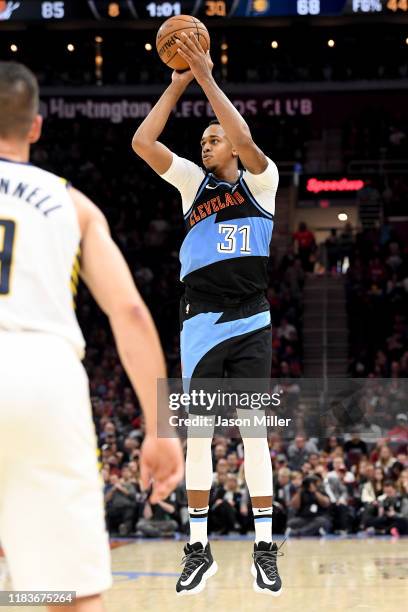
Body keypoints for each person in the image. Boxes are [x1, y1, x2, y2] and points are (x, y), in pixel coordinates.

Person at [0, 62, 184, 612]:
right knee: (69, 594)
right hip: (42, 373)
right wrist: (160, 427)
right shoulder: (73, 205)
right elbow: (128, 310)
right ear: (35, 126)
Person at [132, 33, 282, 596]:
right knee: (198, 437)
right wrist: (177, 85)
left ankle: (265, 547)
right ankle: (199, 549)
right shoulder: (191, 186)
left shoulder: (261, 183)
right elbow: (143, 141)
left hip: (251, 318)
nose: (206, 144)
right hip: (199, 320)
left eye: (212, 138)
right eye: (202, 139)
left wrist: (207, 75)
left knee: (254, 435)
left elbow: (242, 135)